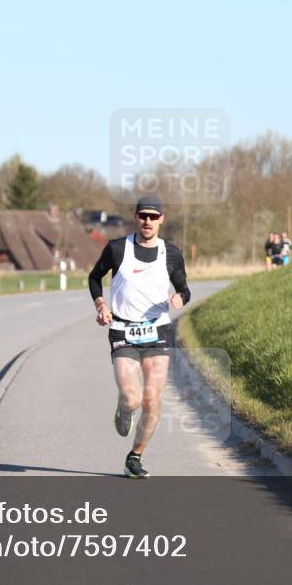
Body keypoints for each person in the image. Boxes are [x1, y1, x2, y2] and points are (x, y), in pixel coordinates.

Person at [88, 194, 191, 479]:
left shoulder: (170, 253)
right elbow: (94, 278)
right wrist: (100, 305)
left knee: (152, 399)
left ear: (161, 220)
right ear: (135, 218)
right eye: (143, 215)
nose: (147, 221)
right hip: (123, 329)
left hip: (157, 329)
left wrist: (180, 298)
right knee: (132, 398)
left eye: (153, 216)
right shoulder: (118, 249)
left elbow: (184, 287)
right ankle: (124, 409)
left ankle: (135, 456)